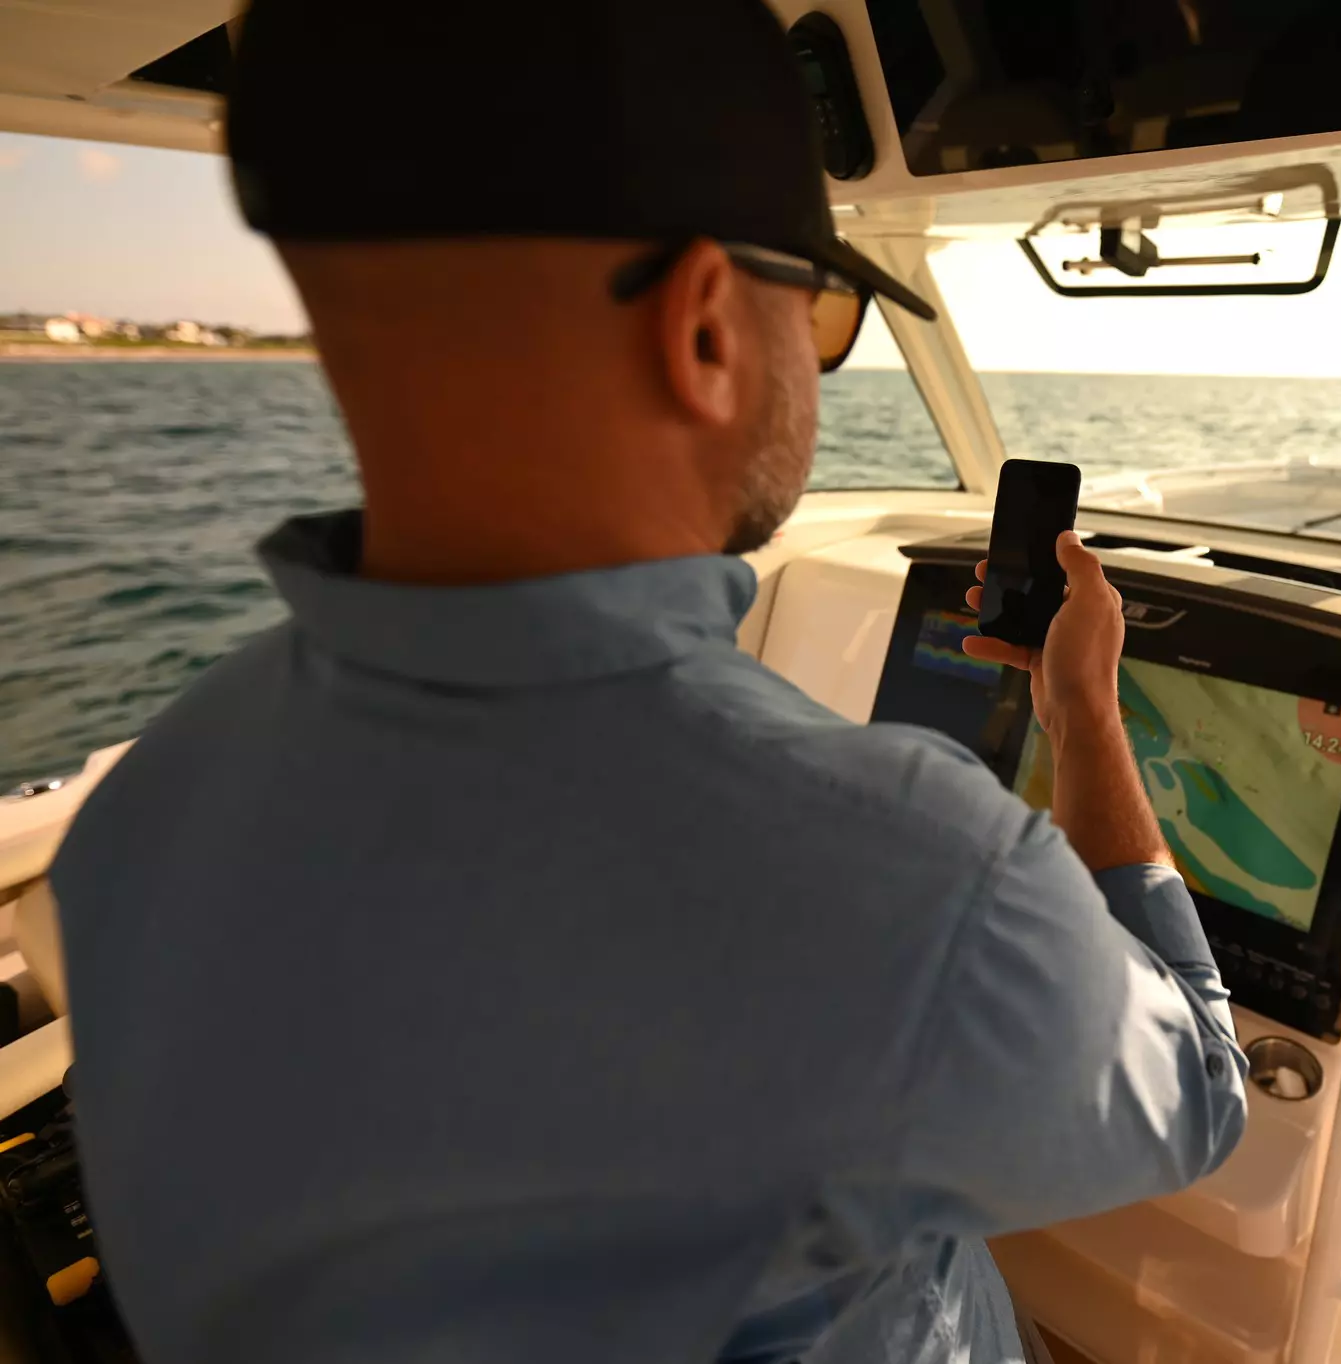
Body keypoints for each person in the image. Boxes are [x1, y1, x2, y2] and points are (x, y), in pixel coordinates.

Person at [47, 1, 1246, 1361]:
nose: (822, 357)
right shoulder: (907, 881)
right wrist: (1083, 716)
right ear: (704, 329)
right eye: (829, 310)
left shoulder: (149, 807)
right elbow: (1200, 1099)